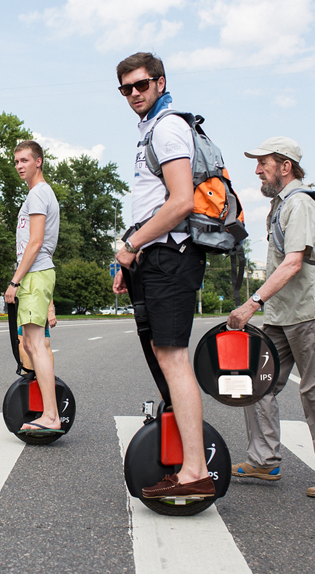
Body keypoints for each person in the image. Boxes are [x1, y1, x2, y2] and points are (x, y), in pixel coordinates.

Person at [226, 137, 315, 499]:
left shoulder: (300, 204)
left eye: (263, 163)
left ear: (285, 166)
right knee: (256, 383)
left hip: (305, 314)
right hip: (280, 315)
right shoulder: (281, 205)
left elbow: (293, 263)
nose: (258, 170)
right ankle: (263, 459)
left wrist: (251, 304)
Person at [112, 52, 213, 499]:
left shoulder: (168, 126)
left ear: (159, 82)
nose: (134, 93)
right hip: (154, 257)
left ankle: (194, 472)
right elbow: (153, 206)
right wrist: (129, 257)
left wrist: (132, 246)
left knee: (173, 358)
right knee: (164, 354)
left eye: (141, 85)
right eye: (126, 88)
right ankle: (187, 458)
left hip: (172, 257)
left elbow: (180, 202)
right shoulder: (148, 130)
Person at [5, 140, 62, 433]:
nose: (19, 166)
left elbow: (36, 242)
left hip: (34, 274)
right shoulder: (36, 195)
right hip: (36, 274)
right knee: (28, 343)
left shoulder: (39, 194)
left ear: (38, 161)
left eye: (25, 160)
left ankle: (51, 415)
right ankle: (48, 411)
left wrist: (15, 280)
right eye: (16, 161)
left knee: (36, 346)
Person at [18, 301, 57, 370]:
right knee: (44, 342)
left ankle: (29, 375)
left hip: (33, 303)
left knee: (22, 340)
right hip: (39, 304)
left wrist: (50, 310)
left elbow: (49, 291)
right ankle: (48, 377)